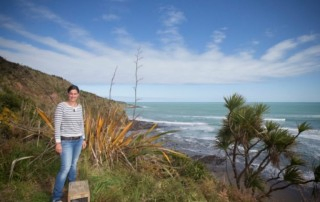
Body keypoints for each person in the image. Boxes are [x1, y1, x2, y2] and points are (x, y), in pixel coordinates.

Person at [52, 84, 87, 202]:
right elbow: (57, 125)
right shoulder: (61, 106)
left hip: (78, 141)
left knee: (73, 166)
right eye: (71, 93)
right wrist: (58, 143)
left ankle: (73, 195)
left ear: (78, 95)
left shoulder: (80, 106)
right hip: (66, 141)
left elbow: (81, 123)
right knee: (65, 168)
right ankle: (56, 198)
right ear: (68, 94)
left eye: (75, 93)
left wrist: (83, 138)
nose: (73, 95)